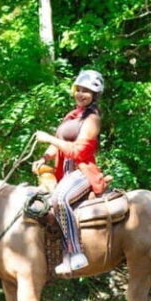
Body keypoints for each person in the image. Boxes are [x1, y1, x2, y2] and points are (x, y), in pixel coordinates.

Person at [32, 70, 107, 275]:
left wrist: (49, 138)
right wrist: (45, 158)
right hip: (65, 174)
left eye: (87, 91)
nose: (80, 94)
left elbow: (78, 151)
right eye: (78, 89)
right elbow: (59, 145)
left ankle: (75, 252)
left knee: (60, 199)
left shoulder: (92, 119)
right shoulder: (72, 116)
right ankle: (57, 254)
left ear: (95, 95)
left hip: (82, 172)